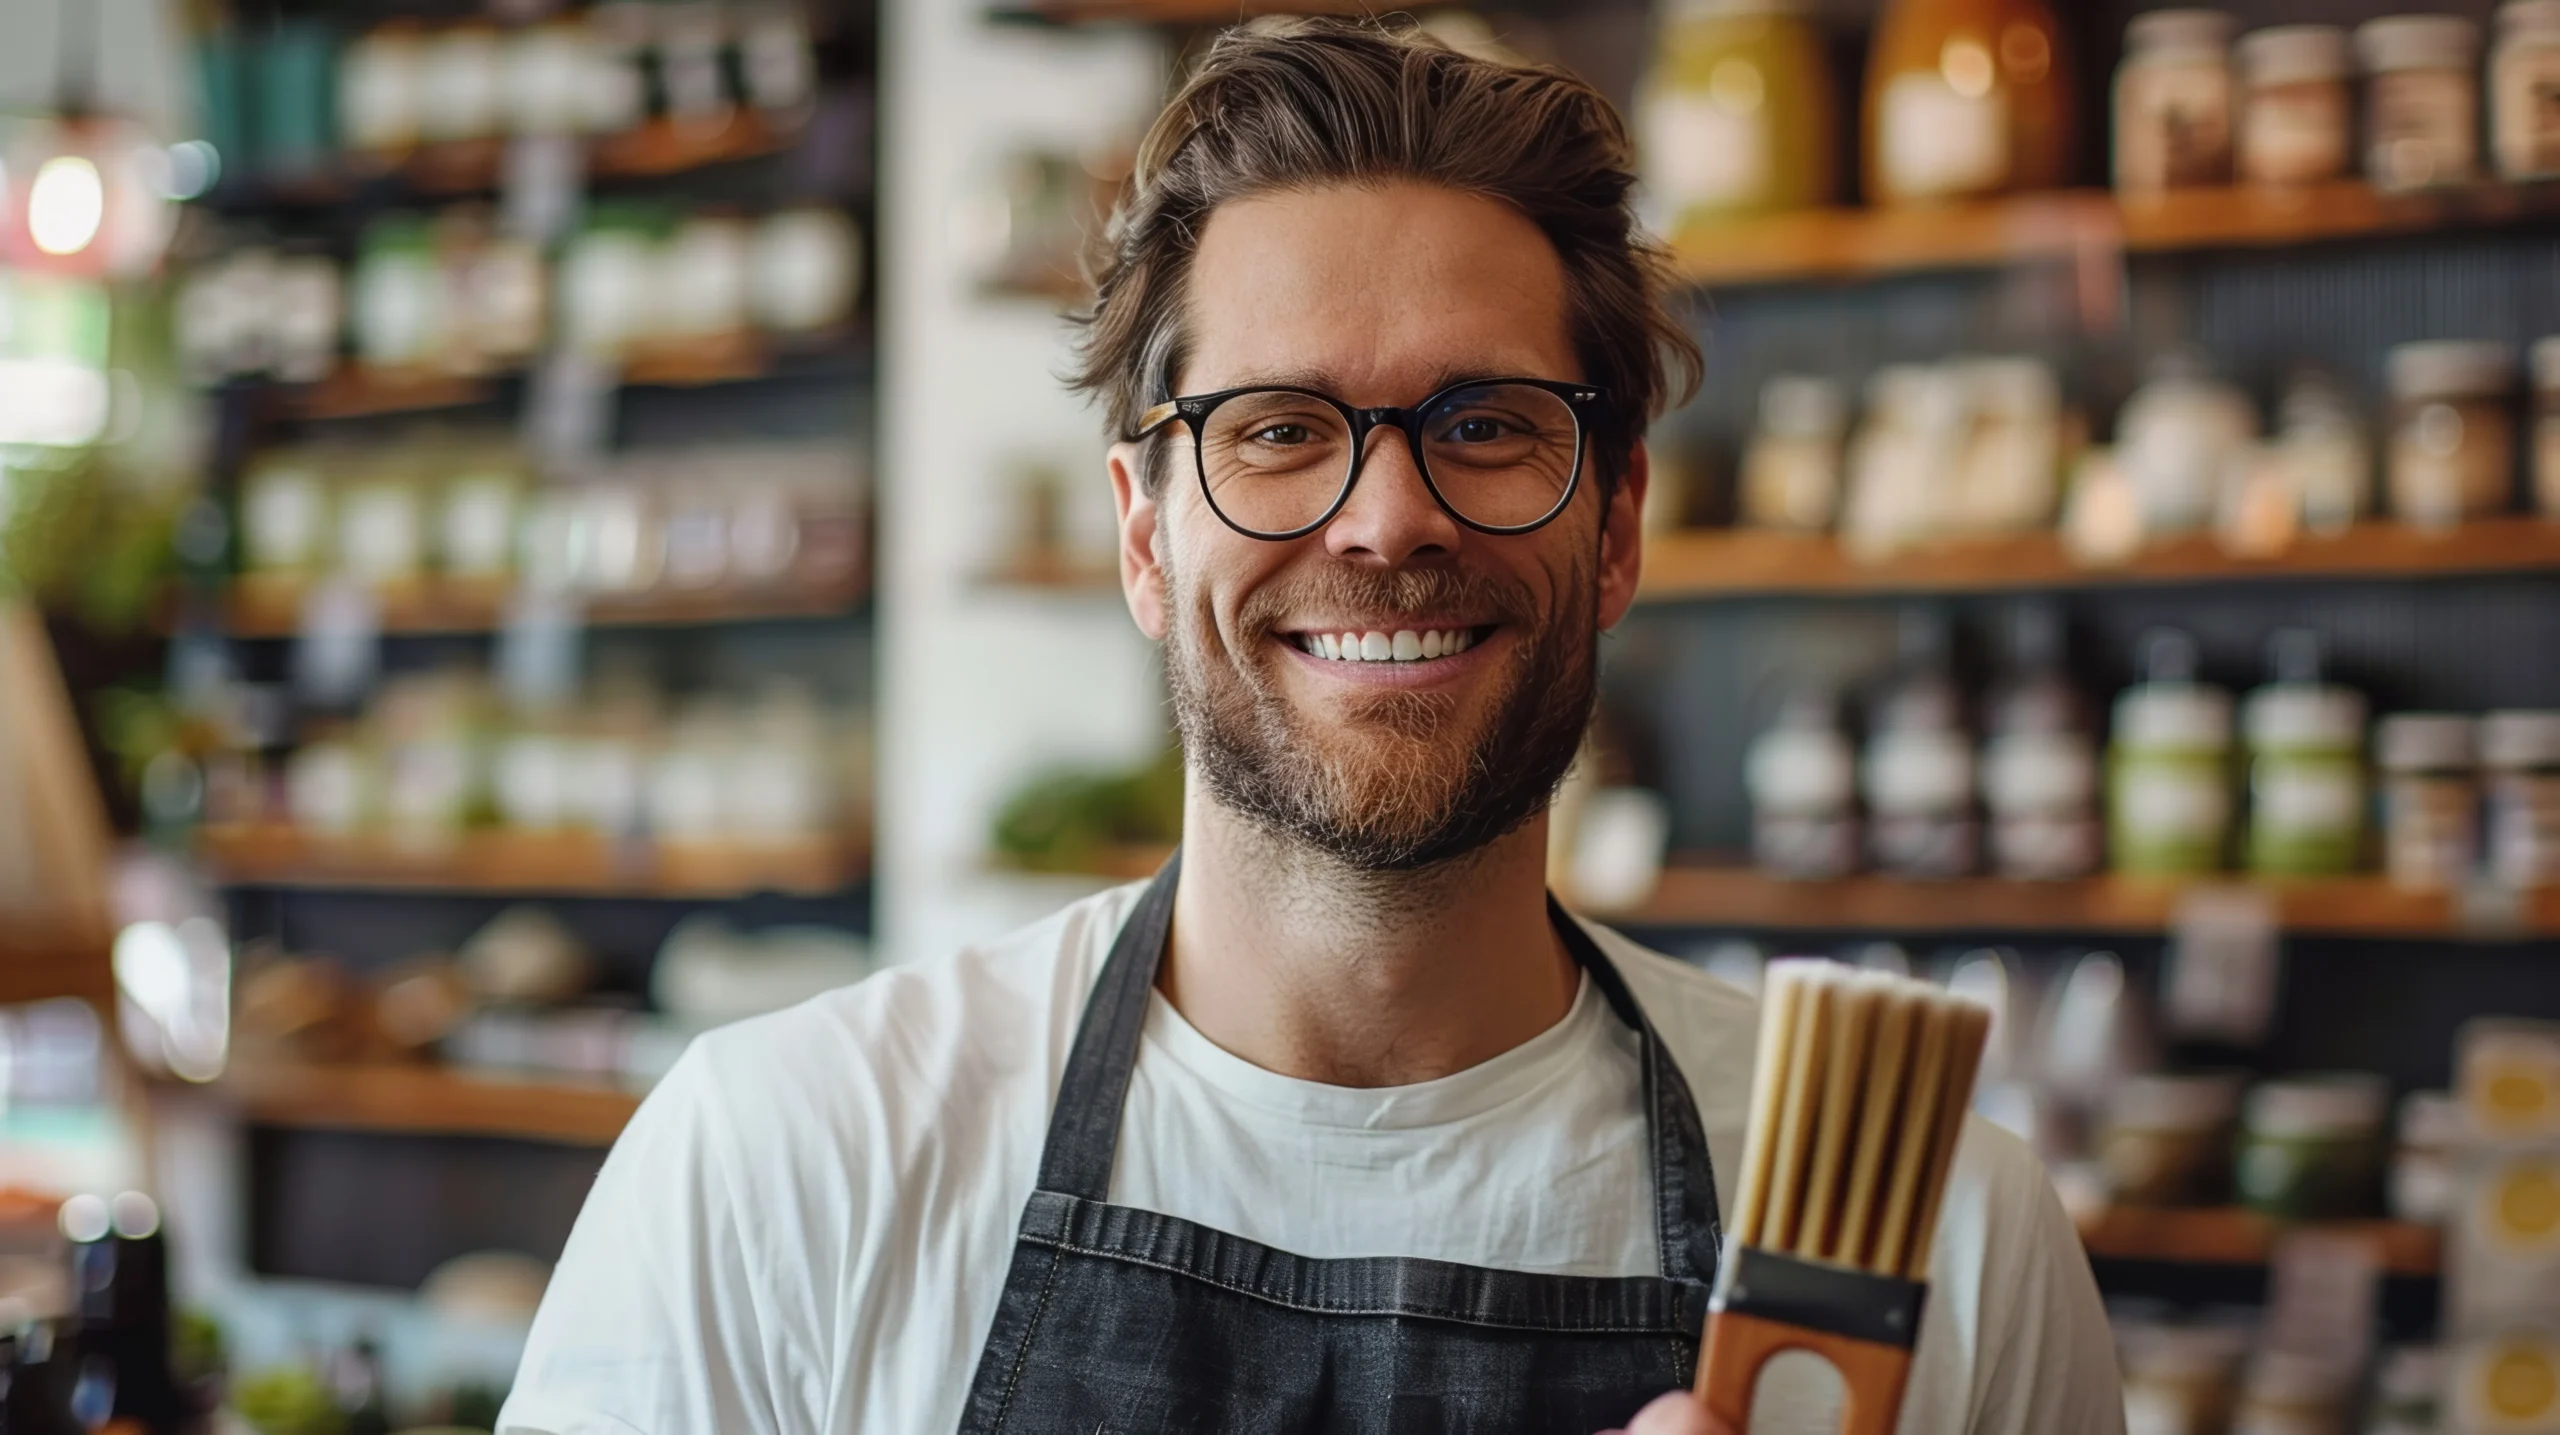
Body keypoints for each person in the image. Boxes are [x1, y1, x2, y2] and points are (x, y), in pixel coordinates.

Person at [498, 19, 2123, 1435]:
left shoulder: (1930, 1236)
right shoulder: (789, 1166)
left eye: (1486, 424)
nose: (1388, 520)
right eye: (1278, 430)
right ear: (1144, 536)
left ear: (1618, 521)